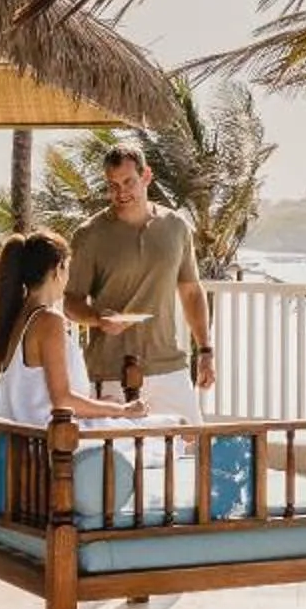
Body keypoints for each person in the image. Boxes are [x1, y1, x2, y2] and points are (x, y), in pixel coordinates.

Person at [64, 144, 217, 421]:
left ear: (146, 176)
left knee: (192, 453)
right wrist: (98, 319)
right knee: (120, 463)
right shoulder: (89, 235)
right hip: (110, 372)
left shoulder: (176, 227)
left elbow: (192, 291)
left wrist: (205, 350)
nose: (121, 192)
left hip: (169, 366)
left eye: (128, 182)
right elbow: (70, 302)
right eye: (113, 185)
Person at [0, 230, 150, 425]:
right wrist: (121, 410)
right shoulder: (48, 320)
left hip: (29, 441)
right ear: (58, 269)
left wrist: (99, 407)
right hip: (57, 442)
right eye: (68, 269)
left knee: (169, 426)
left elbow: (40, 397)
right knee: (178, 425)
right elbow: (62, 401)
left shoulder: (17, 318)